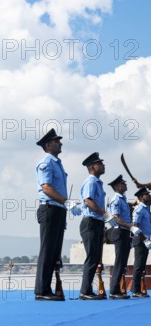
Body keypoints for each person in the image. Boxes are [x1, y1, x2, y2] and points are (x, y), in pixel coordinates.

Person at [34, 128, 81, 301]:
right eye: (56, 141)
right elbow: (46, 188)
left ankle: (48, 288)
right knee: (47, 250)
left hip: (58, 209)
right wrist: (65, 201)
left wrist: (64, 205)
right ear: (48, 145)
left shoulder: (57, 163)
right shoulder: (46, 163)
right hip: (50, 208)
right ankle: (41, 290)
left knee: (54, 251)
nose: (60, 143)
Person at [79, 152, 116, 300]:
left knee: (95, 258)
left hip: (97, 222)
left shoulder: (97, 183)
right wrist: (104, 213)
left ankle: (88, 289)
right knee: (92, 257)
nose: (103, 165)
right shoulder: (91, 182)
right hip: (91, 222)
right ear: (92, 167)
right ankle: (85, 291)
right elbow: (88, 201)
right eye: (100, 163)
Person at [107, 175, 136, 299]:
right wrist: (130, 227)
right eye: (123, 184)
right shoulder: (116, 200)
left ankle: (117, 288)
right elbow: (116, 218)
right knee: (119, 261)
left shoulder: (123, 199)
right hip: (119, 231)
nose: (125, 185)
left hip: (125, 231)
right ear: (117, 187)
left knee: (123, 262)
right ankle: (114, 290)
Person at [131, 187, 151, 297]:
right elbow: (135, 226)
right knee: (138, 265)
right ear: (141, 197)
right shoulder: (139, 209)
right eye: (146, 194)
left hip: (145, 239)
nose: (149, 196)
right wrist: (144, 239)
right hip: (140, 239)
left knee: (141, 265)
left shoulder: (146, 209)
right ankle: (135, 290)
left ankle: (137, 289)